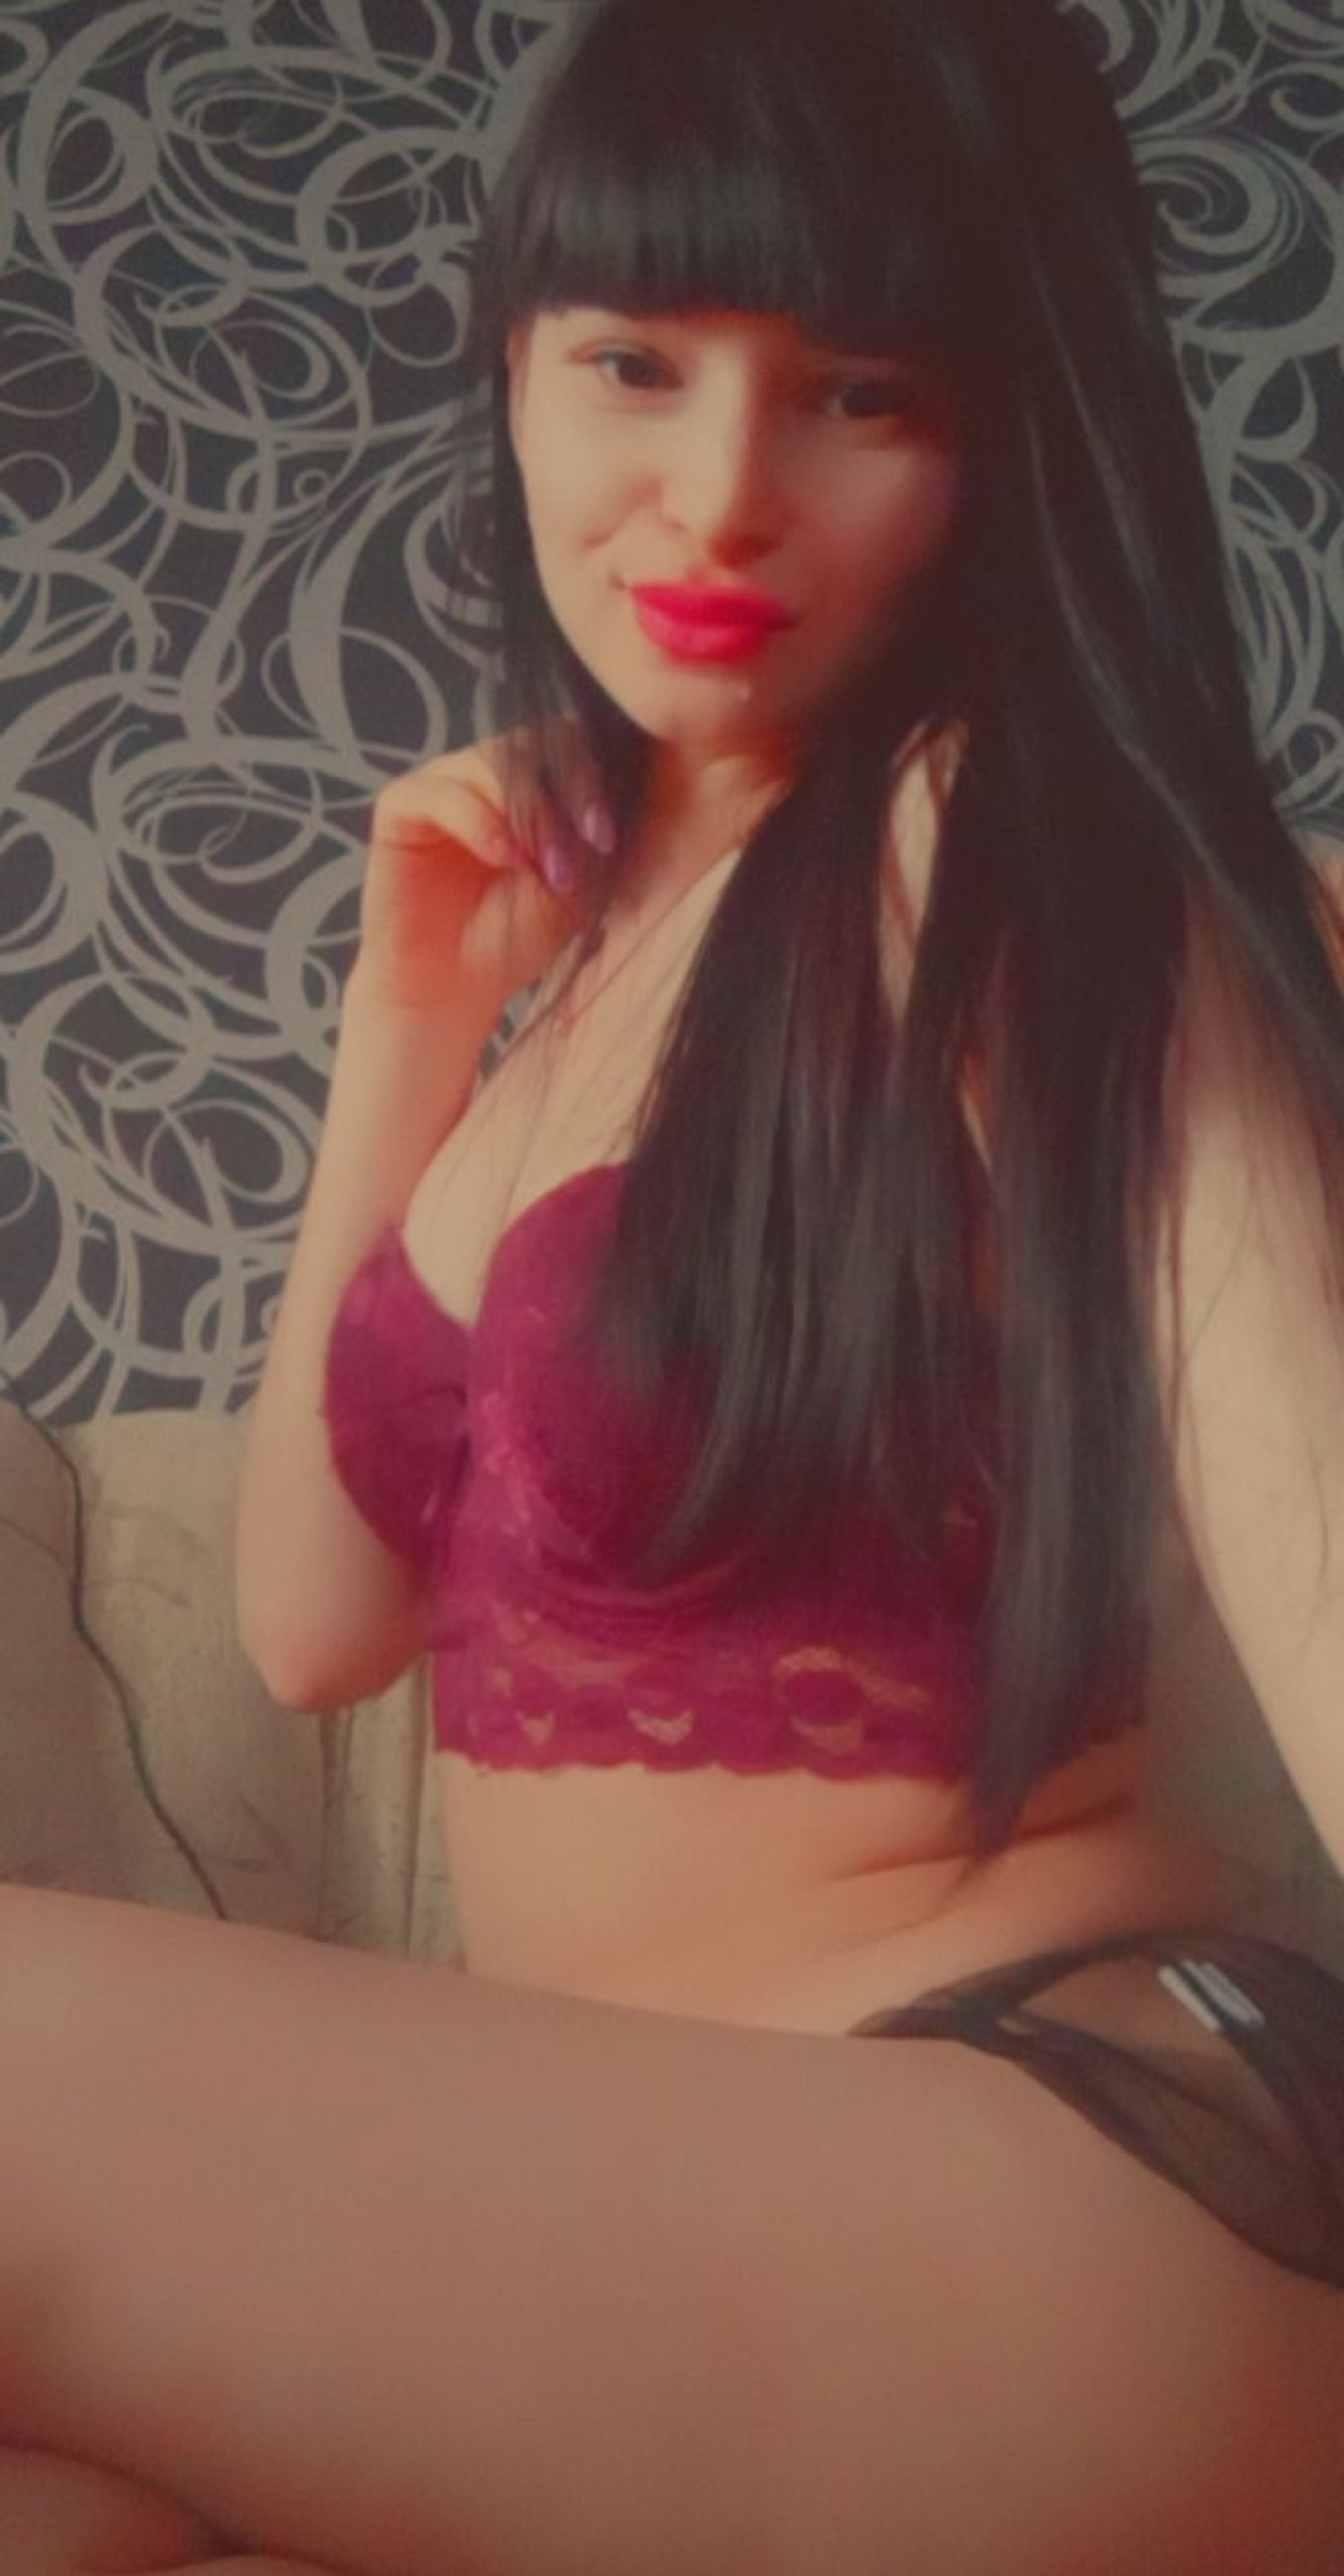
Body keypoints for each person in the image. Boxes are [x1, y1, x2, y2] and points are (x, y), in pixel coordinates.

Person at [3, 0, 1344, 2568]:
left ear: (1003, 436)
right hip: (705, 2240)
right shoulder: (582, 972)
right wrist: (406, 1021)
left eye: (859, 392)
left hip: (1060, 2149)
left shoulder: (1002, 841)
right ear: (517, 364)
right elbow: (310, 1620)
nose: (719, 490)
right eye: (634, 361)